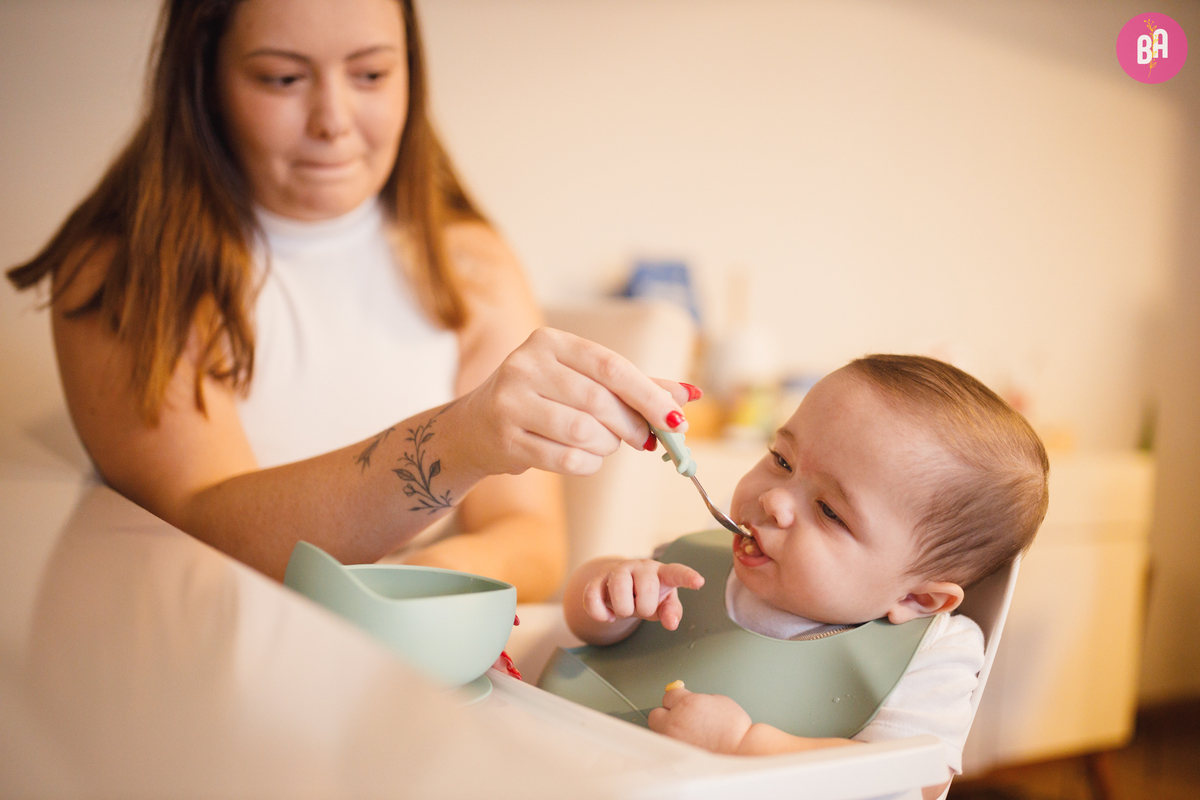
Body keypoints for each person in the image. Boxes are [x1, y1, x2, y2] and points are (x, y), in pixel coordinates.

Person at [5, 0, 697, 599]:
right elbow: (204, 526)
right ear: (204, 78)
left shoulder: (468, 262)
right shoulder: (123, 271)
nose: (332, 119)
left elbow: (531, 538)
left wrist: (419, 585)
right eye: (282, 78)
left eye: (370, 74)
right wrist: (458, 440)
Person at [552, 354, 1048, 799]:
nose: (775, 499)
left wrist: (746, 747)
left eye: (830, 511)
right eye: (782, 460)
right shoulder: (698, 559)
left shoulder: (931, 653)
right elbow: (589, 629)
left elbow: (911, 780)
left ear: (917, 597)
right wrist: (607, 592)